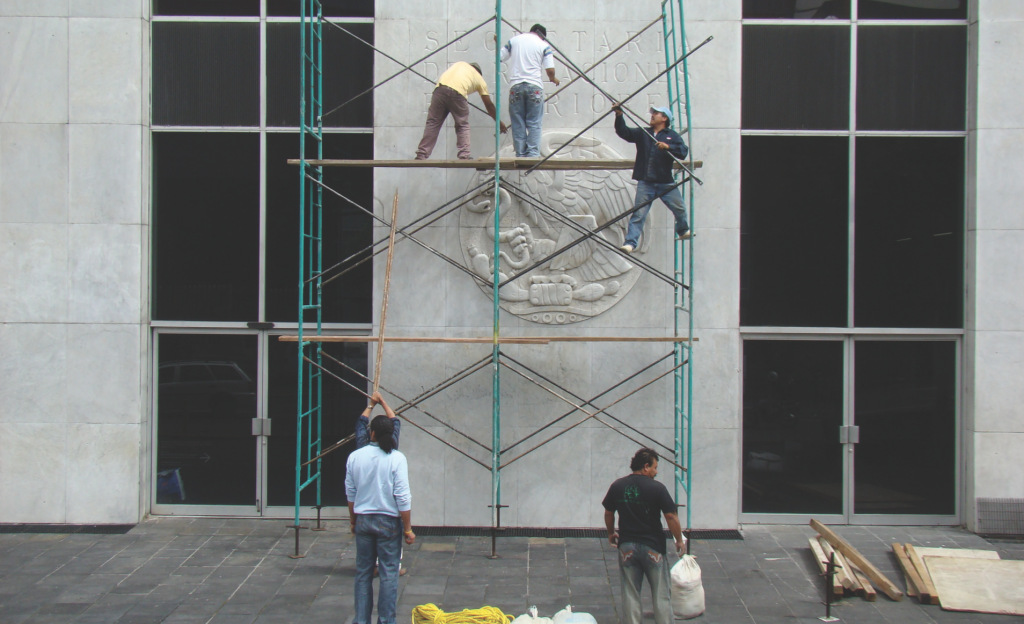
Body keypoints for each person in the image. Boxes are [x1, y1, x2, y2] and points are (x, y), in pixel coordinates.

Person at [602, 448, 686, 624]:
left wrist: (611, 533)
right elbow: (671, 516)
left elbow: (609, 513)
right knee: (661, 594)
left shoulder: (617, 486)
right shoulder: (657, 488)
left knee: (630, 592)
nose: (656, 472)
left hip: (626, 548)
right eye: (655, 467)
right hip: (653, 547)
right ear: (646, 467)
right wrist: (679, 540)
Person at [345, 414, 415, 624]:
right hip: (388, 521)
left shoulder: (356, 456)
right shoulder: (396, 458)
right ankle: (386, 621)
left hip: (364, 519)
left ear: (371, 433)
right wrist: (408, 528)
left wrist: (353, 521)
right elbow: (402, 496)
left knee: (363, 573)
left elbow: (351, 493)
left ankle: (361, 620)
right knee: (389, 574)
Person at [612, 104, 690, 254]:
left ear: (664, 118)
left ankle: (682, 230)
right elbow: (624, 132)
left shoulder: (672, 135)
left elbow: (683, 151)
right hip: (646, 181)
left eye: (656, 113)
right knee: (639, 213)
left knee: (679, 208)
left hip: (665, 181)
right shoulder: (644, 133)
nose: (652, 115)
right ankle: (630, 242)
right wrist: (619, 115)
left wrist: (668, 147)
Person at [355, 392, 406, 578]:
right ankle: (393, 567)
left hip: (365, 510)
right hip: (388, 510)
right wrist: (383, 401)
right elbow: (396, 421)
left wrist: (371, 404)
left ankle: (373, 567)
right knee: (391, 545)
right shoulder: (393, 452)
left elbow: (360, 423)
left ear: (372, 433)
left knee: (364, 564)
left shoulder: (360, 450)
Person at [416, 61, 507, 161]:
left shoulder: (460, 64)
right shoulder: (480, 79)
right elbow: (489, 106)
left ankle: (422, 154)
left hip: (439, 90)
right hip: (458, 93)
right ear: (479, 72)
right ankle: (464, 155)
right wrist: (499, 123)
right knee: (462, 125)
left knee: (433, 123)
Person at [498, 24, 560, 157]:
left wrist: (498, 44)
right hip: (534, 87)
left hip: (516, 87)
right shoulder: (543, 45)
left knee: (518, 122)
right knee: (534, 122)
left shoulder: (514, 40)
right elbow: (550, 69)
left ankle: (520, 154)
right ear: (542, 35)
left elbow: (500, 57)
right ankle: (532, 155)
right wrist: (553, 78)